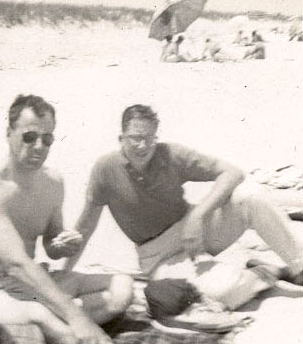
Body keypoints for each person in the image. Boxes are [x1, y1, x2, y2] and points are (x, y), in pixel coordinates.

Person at [0, 94, 209, 344]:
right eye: (29, 137)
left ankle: (55, 337)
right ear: (9, 133)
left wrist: (61, 244)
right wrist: (77, 317)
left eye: (47, 139)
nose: (38, 146)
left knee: (121, 287)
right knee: (40, 314)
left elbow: (50, 246)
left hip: (28, 283)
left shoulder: (52, 182)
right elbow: (18, 264)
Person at [66, 104, 303, 292]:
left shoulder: (169, 154)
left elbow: (233, 172)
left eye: (150, 138)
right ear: (121, 138)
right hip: (158, 255)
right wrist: (66, 273)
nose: (143, 145)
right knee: (218, 292)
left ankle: (299, 267)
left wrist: (199, 215)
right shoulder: (105, 169)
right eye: (135, 137)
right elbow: (85, 227)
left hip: (196, 229)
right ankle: (268, 273)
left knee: (250, 196)